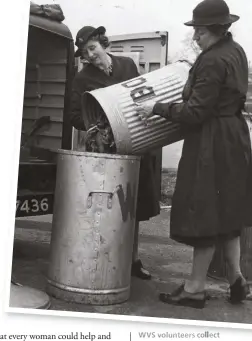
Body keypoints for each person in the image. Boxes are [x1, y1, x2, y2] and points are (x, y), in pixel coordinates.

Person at [137, 0, 252, 308]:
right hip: (234, 137)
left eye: (198, 32)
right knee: (227, 210)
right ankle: (237, 279)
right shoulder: (235, 51)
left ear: (213, 30)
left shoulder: (212, 60)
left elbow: (195, 113)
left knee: (204, 210)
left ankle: (194, 288)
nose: (195, 37)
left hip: (211, 141)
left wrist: (157, 107)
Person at [70, 25, 161, 280]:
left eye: (92, 48)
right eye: (85, 53)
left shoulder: (128, 66)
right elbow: (74, 115)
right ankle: (104, 258)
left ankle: (132, 260)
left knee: (132, 205)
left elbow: (143, 95)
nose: (90, 55)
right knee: (106, 206)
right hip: (104, 151)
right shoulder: (82, 79)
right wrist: (94, 126)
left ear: (102, 43)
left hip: (134, 144)